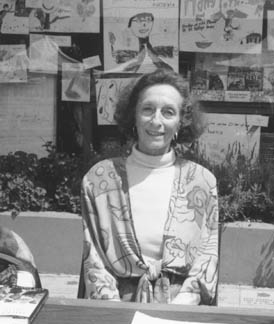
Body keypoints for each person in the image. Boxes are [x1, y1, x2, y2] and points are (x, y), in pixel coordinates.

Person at [80, 69, 219, 305]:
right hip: (115, 305)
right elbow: (94, 258)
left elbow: (208, 253)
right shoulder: (100, 179)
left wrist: (183, 303)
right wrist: (114, 311)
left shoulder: (202, 182)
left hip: (183, 307)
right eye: (147, 109)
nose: (156, 121)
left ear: (180, 122)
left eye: (168, 112)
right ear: (133, 115)